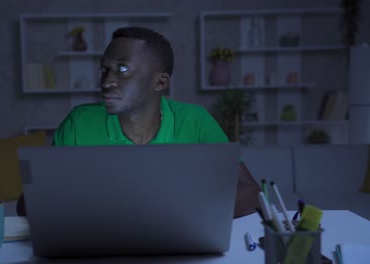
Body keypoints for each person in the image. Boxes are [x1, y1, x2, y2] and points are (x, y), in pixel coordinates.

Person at [17, 26, 260, 218]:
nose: (106, 81)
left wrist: (179, 214)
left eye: (123, 69)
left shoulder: (196, 121)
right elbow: (26, 203)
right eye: (105, 69)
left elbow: (252, 192)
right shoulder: (79, 123)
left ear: (160, 82)